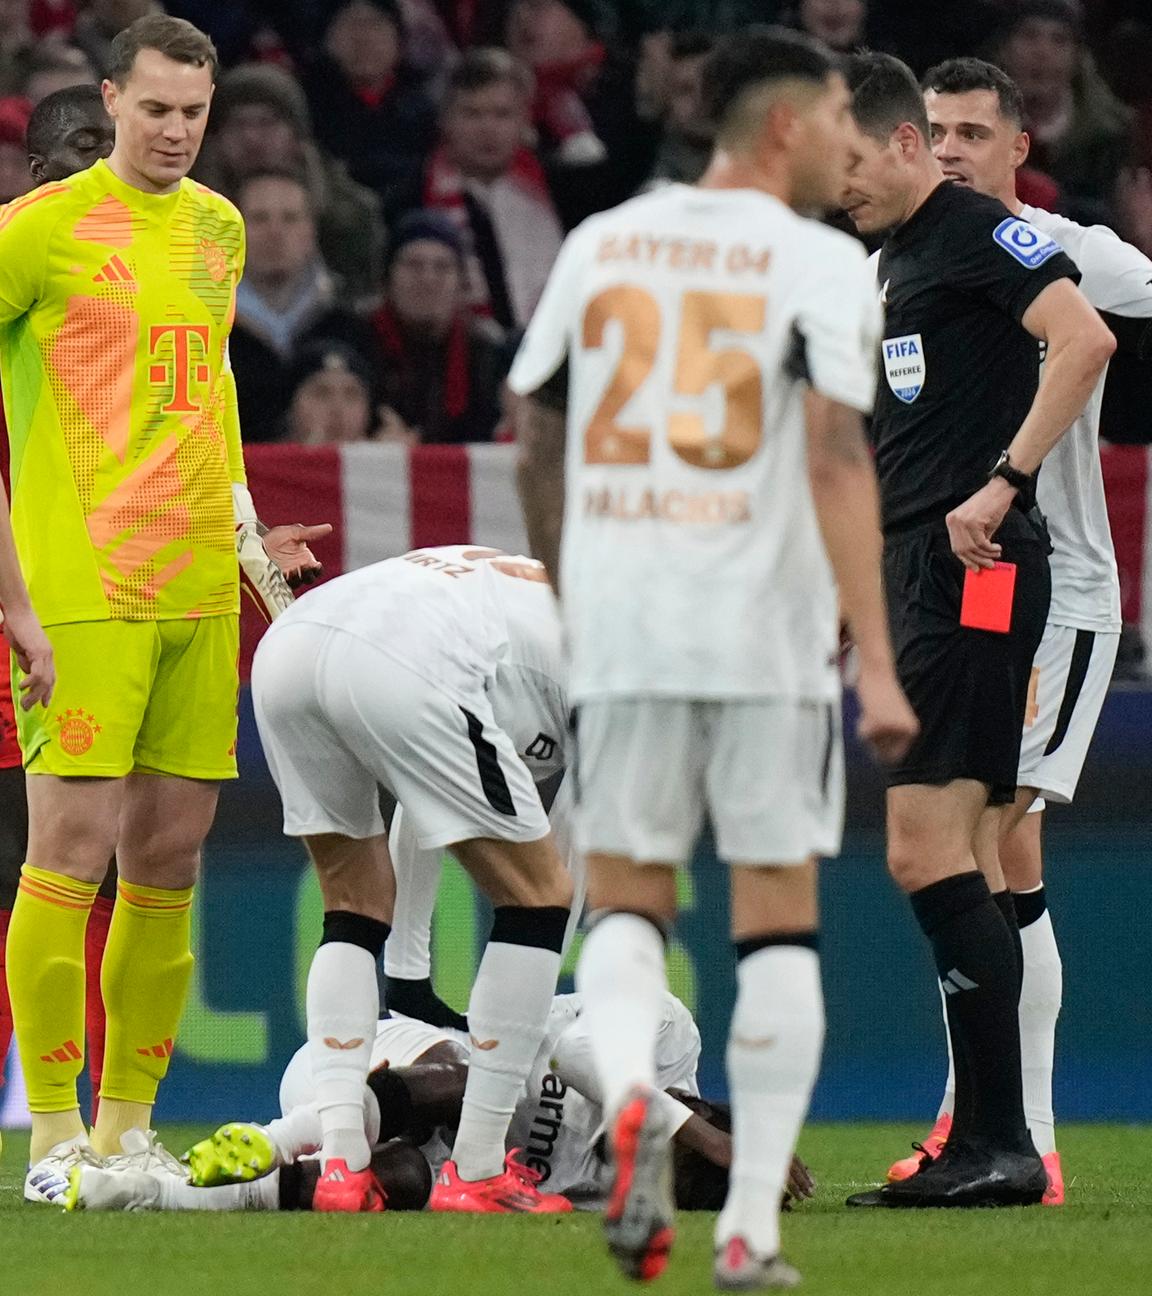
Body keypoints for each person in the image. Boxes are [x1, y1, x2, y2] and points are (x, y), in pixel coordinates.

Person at [511, 25, 916, 1288]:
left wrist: (576, 593)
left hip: (625, 632)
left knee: (630, 904)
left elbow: (533, 422)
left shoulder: (604, 240)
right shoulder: (819, 260)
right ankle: (746, 1230)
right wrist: (884, 665)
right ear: (786, 126)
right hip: (765, 635)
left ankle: (632, 1089)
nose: (853, 142)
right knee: (775, 928)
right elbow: (838, 453)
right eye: (844, 117)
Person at [0, 13, 328, 1205]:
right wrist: (15, 599)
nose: (178, 130)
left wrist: (247, 544)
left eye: (194, 111)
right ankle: (48, 1136)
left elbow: (212, 400)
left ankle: (126, 1132)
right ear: (111, 99)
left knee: (170, 860)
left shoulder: (219, 230)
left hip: (196, 584)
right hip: (81, 589)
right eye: (156, 109)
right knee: (67, 858)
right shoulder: (34, 235)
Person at [840, 50, 1115, 1208]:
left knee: (927, 847)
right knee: (974, 854)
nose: (837, 184)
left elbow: (1087, 337)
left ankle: (1002, 1141)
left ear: (905, 142)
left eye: (851, 161)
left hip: (978, 567)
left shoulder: (968, 231)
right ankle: (991, 1142)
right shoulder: (898, 256)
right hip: (926, 568)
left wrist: (1004, 479)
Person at [251, 545, 575, 1214]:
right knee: (539, 899)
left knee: (351, 906)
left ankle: (342, 1165)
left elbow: (425, 806)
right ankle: (480, 1170)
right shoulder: (623, 660)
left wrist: (409, 975)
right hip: (406, 656)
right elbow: (569, 857)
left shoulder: (534, 592)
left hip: (293, 642)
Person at [64, 992, 759, 1216]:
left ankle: (168, 1193)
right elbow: (574, 1055)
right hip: (378, 1064)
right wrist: (719, 1147)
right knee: (467, 1080)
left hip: (383, 1139)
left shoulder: (618, 1190)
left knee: (409, 1181)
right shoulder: (668, 1033)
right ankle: (275, 1138)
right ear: (692, 1109)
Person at [0, 80, 118, 1144]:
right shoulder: (17, 259)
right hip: (21, 605)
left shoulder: (144, 282)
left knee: (98, 857)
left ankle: (79, 1109)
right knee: (37, 857)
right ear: (36, 174)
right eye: (88, 147)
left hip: (87, 603)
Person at [405, 48, 566, 331]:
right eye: (472, 114)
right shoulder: (411, 197)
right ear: (446, 120)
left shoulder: (561, 191)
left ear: (523, 120)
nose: (487, 129)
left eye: (502, 115)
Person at [192, 61, 386, 294]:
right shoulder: (185, 210)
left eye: (267, 123)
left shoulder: (347, 213)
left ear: (296, 135)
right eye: (238, 125)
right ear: (217, 140)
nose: (252, 139)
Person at [230, 168, 359, 440]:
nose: (274, 232)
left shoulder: (349, 324)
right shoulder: (201, 323)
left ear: (310, 232)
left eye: (290, 218)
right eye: (259, 218)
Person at [369, 210, 510, 445]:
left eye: (442, 267)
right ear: (387, 278)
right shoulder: (357, 343)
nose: (427, 279)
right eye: (414, 265)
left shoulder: (487, 355)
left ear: (461, 284)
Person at [993, 0, 1133, 222]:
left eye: (1059, 40)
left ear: (1078, 57)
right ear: (1004, 49)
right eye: (1029, 36)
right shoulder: (979, 132)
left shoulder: (1110, 141)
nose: (1043, 52)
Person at [301, 0, 438, 202]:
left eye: (375, 25)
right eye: (353, 25)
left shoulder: (425, 111)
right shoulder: (310, 108)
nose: (364, 39)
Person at [281, 341, 379, 446]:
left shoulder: (388, 458)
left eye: (351, 395)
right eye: (322, 394)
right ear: (291, 408)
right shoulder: (266, 460)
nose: (337, 408)